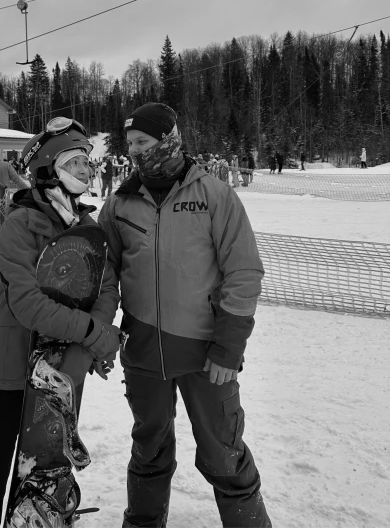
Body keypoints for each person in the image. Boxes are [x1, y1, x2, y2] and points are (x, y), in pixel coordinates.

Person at [99, 102, 271, 528]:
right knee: (149, 449)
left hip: (207, 356)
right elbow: (103, 274)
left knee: (223, 450)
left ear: (169, 139)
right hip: (142, 354)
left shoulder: (213, 194)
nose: (137, 151)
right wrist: (100, 333)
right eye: (131, 144)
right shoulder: (120, 204)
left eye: (144, 141)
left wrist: (228, 347)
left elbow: (244, 272)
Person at [0, 117, 120, 528]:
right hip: (4, 374)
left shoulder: (88, 228)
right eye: (76, 162)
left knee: (41, 485)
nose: (86, 171)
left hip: (55, 380)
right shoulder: (18, 224)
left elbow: (106, 288)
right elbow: (28, 304)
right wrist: (95, 335)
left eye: (87, 164)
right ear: (49, 167)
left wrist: (90, 340)